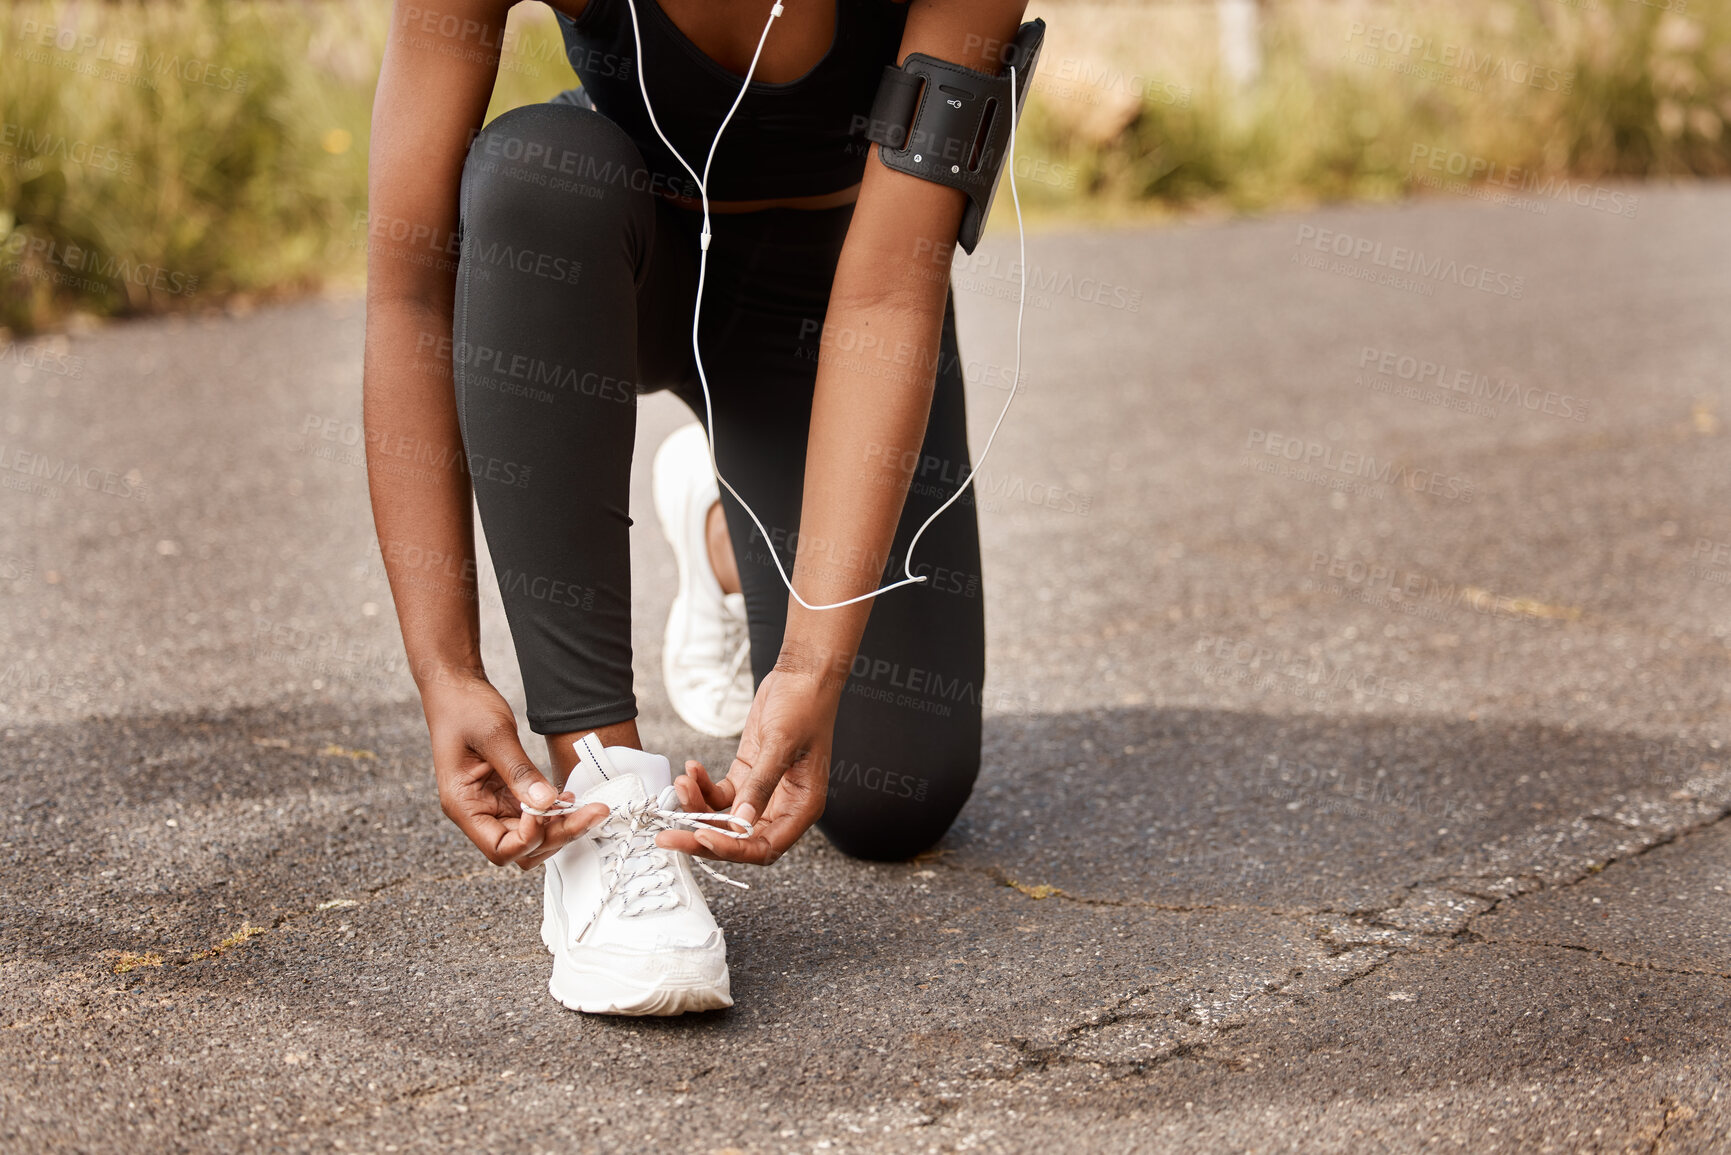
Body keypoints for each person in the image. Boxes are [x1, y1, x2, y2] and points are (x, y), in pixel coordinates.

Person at [364, 0, 1025, 1014]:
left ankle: (724, 541)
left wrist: (816, 658)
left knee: (895, 795)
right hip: (616, 270)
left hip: (834, 307)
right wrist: (443, 667)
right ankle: (601, 789)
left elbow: (893, 288)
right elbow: (408, 287)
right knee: (536, 171)